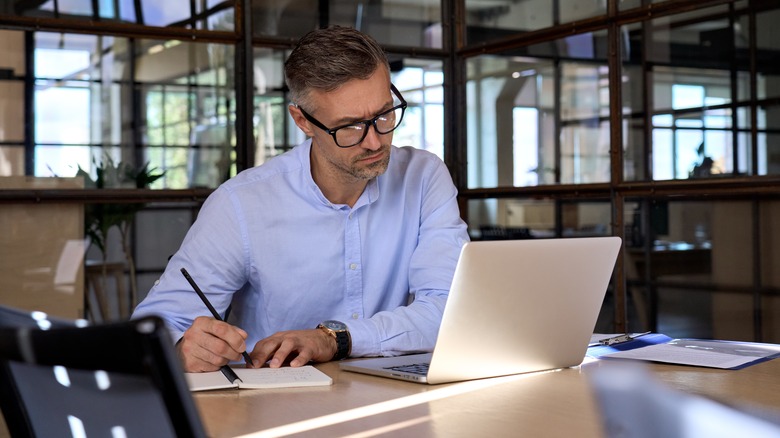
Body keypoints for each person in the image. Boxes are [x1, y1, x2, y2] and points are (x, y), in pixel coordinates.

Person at [132, 25, 469, 373]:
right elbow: (154, 326)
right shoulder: (242, 204)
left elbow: (450, 309)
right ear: (302, 121)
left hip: (396, 399)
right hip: (277, 405)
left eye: (384, 114)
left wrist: (334, 339)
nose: (374, 141)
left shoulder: (424, 176)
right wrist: (180, 347)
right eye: (350, 126)